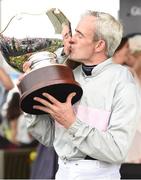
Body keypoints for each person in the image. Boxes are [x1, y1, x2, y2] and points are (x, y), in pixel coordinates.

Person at [23, 10, 140, 180]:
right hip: (62, 172)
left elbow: (117, 151)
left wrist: (72, 123)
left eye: (79, 35)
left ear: (99, 45)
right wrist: (29, 89)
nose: (70, 40)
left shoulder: (122, 80)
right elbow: (48, 138)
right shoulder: (69, 75)